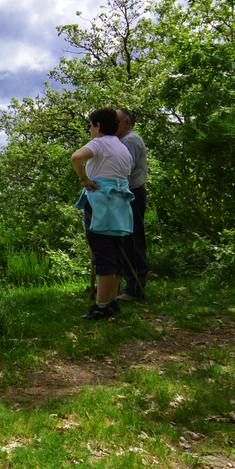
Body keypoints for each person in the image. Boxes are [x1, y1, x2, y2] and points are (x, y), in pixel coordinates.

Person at [70, 108, 133, 320]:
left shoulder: (99, 142)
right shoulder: (123, 148)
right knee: (115, 253)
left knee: (103, 253)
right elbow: (127, 178)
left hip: (100, 203)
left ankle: (101, 306)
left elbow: (76, 158)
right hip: (120, 205)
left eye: (90, 125)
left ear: (97, 126)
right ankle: (112, 301)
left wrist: (84, 180)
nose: (89, 129)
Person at [116, 109, 149, 302]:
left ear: (127, 123)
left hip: (131, 193)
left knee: (132, 239)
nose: (113, 125)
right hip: (127, 192)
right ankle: (114, 282)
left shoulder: (130, 141)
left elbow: (124, 172)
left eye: (117, 121)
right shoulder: (122, 140)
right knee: (121, 240)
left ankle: (135, 288)